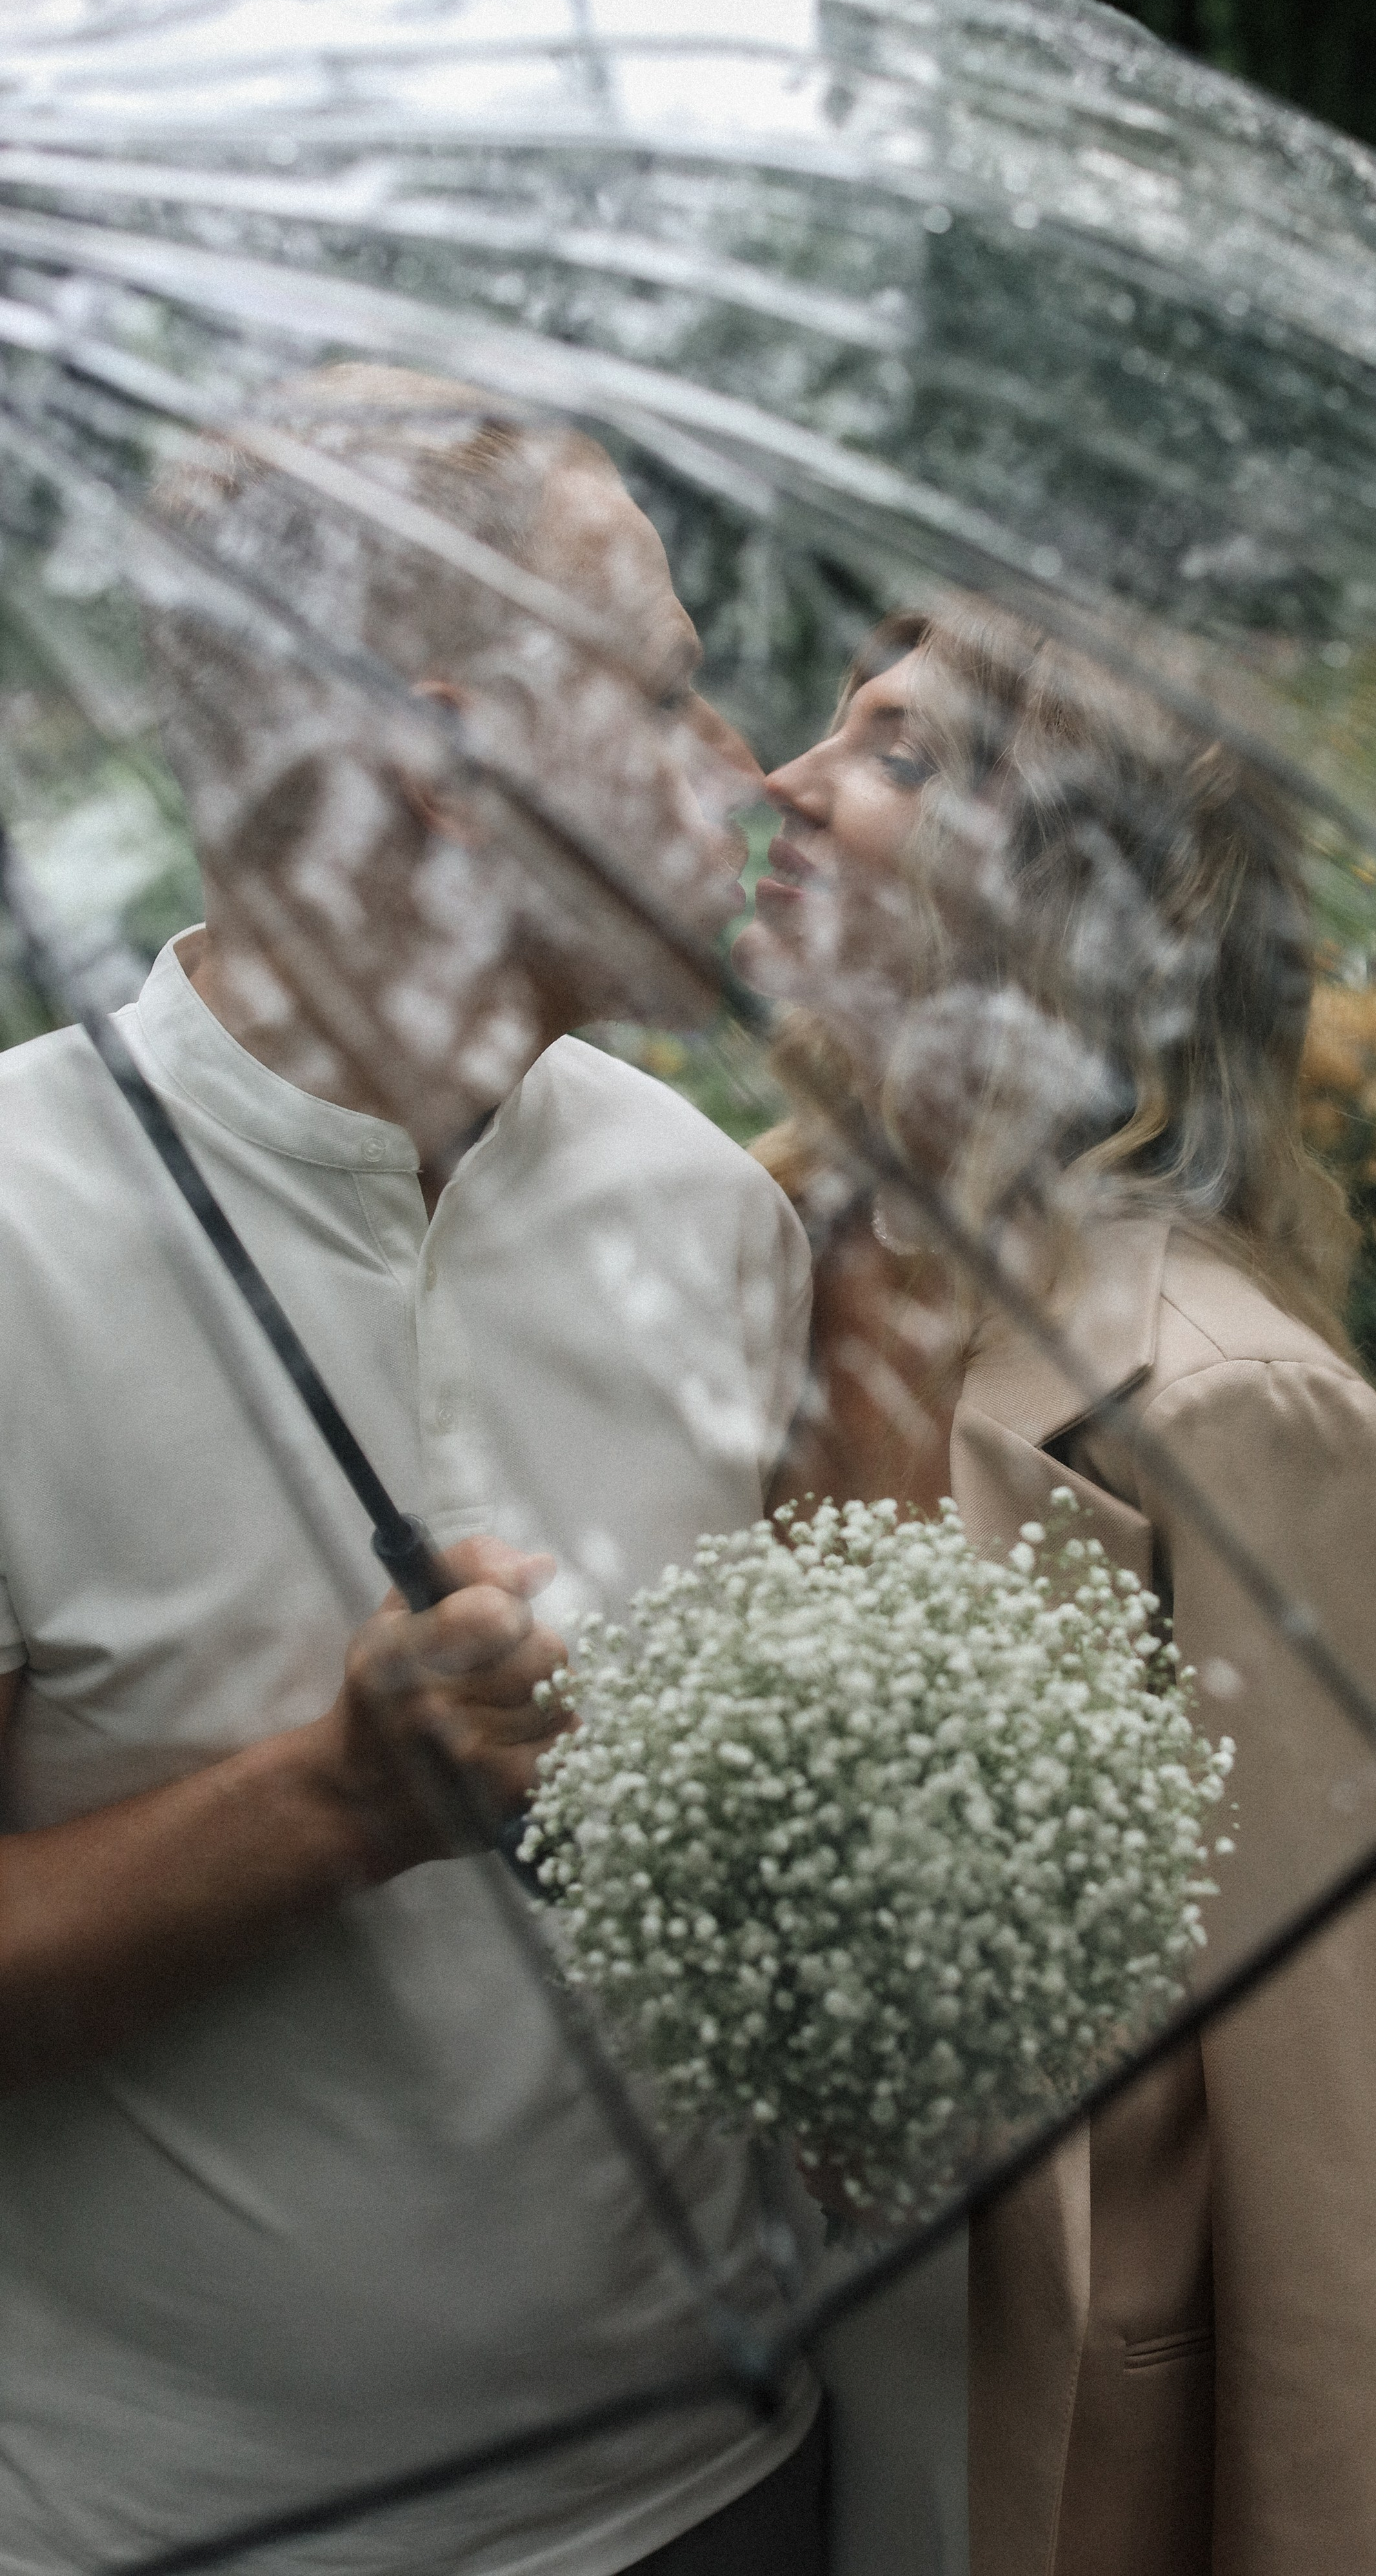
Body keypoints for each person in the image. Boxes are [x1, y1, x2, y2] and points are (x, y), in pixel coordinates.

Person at [0, 368, 827, 2576]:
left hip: (729, 2487)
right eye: (665, 695)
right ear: (455, 767)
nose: (746, 769)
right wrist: (336, 1807)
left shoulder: (708, 1206)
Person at [737, 603, 1376, 2576]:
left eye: (901, 756)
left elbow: (1358, 2154)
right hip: (723, 2414)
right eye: (836, 723)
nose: (786, 781)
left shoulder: (1227, 1405)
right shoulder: (734, 1257)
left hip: (1034, 2443)